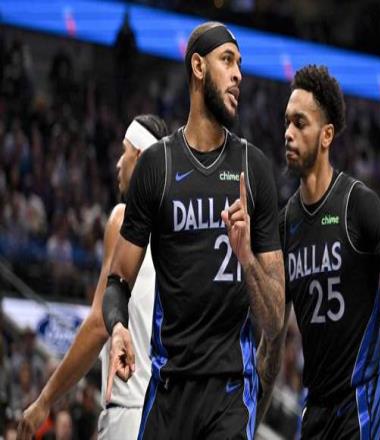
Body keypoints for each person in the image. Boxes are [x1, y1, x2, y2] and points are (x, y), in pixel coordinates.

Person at [102, 22, 285, 440]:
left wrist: (246, 257)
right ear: (198, 67)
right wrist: (117, 328)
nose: (238, 74)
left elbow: (275, 320)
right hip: (169, 389)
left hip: (230, 392)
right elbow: (117, 282)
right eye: (227, 61)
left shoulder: (254, 168)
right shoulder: (158, 166)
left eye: (240, 64)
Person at [279, 65, 380, 439]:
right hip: (315, 407)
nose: (287, 133)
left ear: (327, 135)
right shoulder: (285, 224)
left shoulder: (358, 204)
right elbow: (272, 338)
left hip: (362, 401)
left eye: (300, 123)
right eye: (286, 122)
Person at [17, 114, 168, 440]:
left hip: (130, 414)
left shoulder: (123, 218)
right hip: (170, 416)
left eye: (124, 151)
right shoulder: (178, 231)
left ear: (141, 157)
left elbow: (100, 322)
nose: (118, 163)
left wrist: (45, 400)